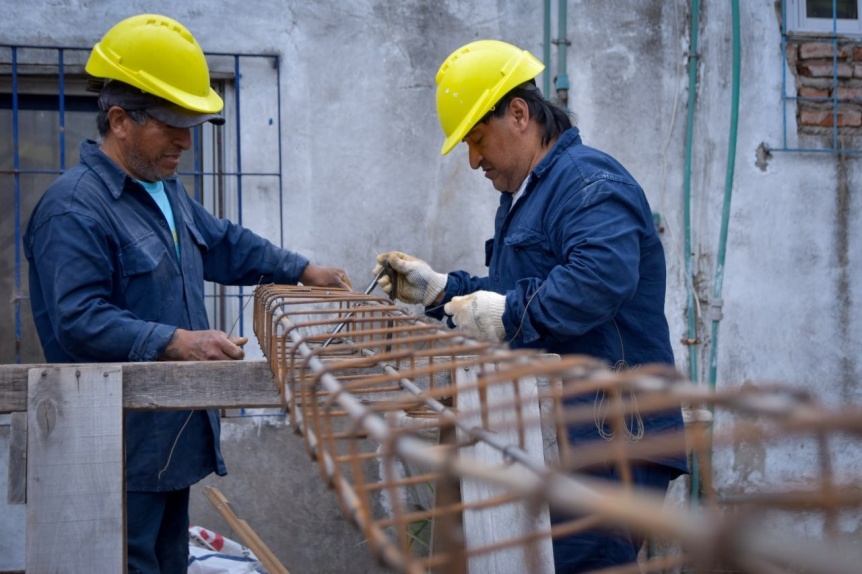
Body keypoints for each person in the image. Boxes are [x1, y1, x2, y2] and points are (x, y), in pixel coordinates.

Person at [23, 14, 350, 573]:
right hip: (113, 452)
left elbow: (223, 243)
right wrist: (177, 342)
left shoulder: (161, 191)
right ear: (120, 120)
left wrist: (302, 270)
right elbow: (78, 319)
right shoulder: (74, 208)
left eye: (192, 122)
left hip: (166, 442)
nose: (186, 140)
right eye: (172, 123)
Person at [373, 40, 687, 572]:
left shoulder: (588, 183)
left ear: (518, 114)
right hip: (561, 434)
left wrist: (507, 315)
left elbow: (598, 279)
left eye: (476, 139)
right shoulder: (528, 197)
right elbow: (512, 292)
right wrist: (440, 289)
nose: (473, 160)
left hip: (609, 440)